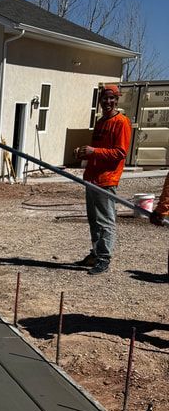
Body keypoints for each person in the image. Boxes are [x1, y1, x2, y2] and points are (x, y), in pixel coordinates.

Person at [74, 84, 132, 275]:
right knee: (93, 220)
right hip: (92, 177)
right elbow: (96, 149)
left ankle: (104, 258)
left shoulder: (121, 122)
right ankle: (96, 253)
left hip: (107, 180)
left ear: (117, 100)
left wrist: (94, 151)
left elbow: (120, 152)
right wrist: (84, 153)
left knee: (105, 220)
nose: (107, 102)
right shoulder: (100, 122)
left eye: (111, 99)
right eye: (104, 99)